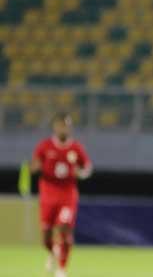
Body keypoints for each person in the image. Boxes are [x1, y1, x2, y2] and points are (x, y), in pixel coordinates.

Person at [31, 112, 93, 277]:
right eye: (61, 125)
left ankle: (62, 269)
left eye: (67, 125)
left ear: (70, 127)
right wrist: (34, 167)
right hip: (48, 193)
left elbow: (87, 168)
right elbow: (33, 165)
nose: (64, 128)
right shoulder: (45, 146)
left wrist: (80, 173)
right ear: (55, 126)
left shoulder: (76, 148)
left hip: (68, 195)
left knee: (65, 229)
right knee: (46, 236)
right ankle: (52, 251)